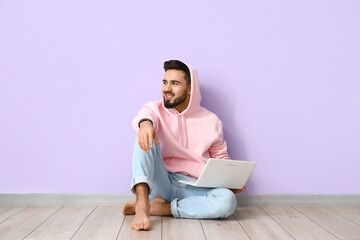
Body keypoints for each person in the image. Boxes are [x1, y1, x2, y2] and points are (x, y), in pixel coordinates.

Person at [122, 60, 246, 231]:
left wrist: (232, 179)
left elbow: (220, 158)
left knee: (228, 201)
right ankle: (143, 203)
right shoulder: (155, 109)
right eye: (165, 82)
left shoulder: (211, 121)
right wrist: (146, 124)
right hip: (163, 181)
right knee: (144, 134)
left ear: (190, 88)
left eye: (175, 83)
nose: (167, 89)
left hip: (196, 187)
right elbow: (145, 114)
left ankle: (163, 208)